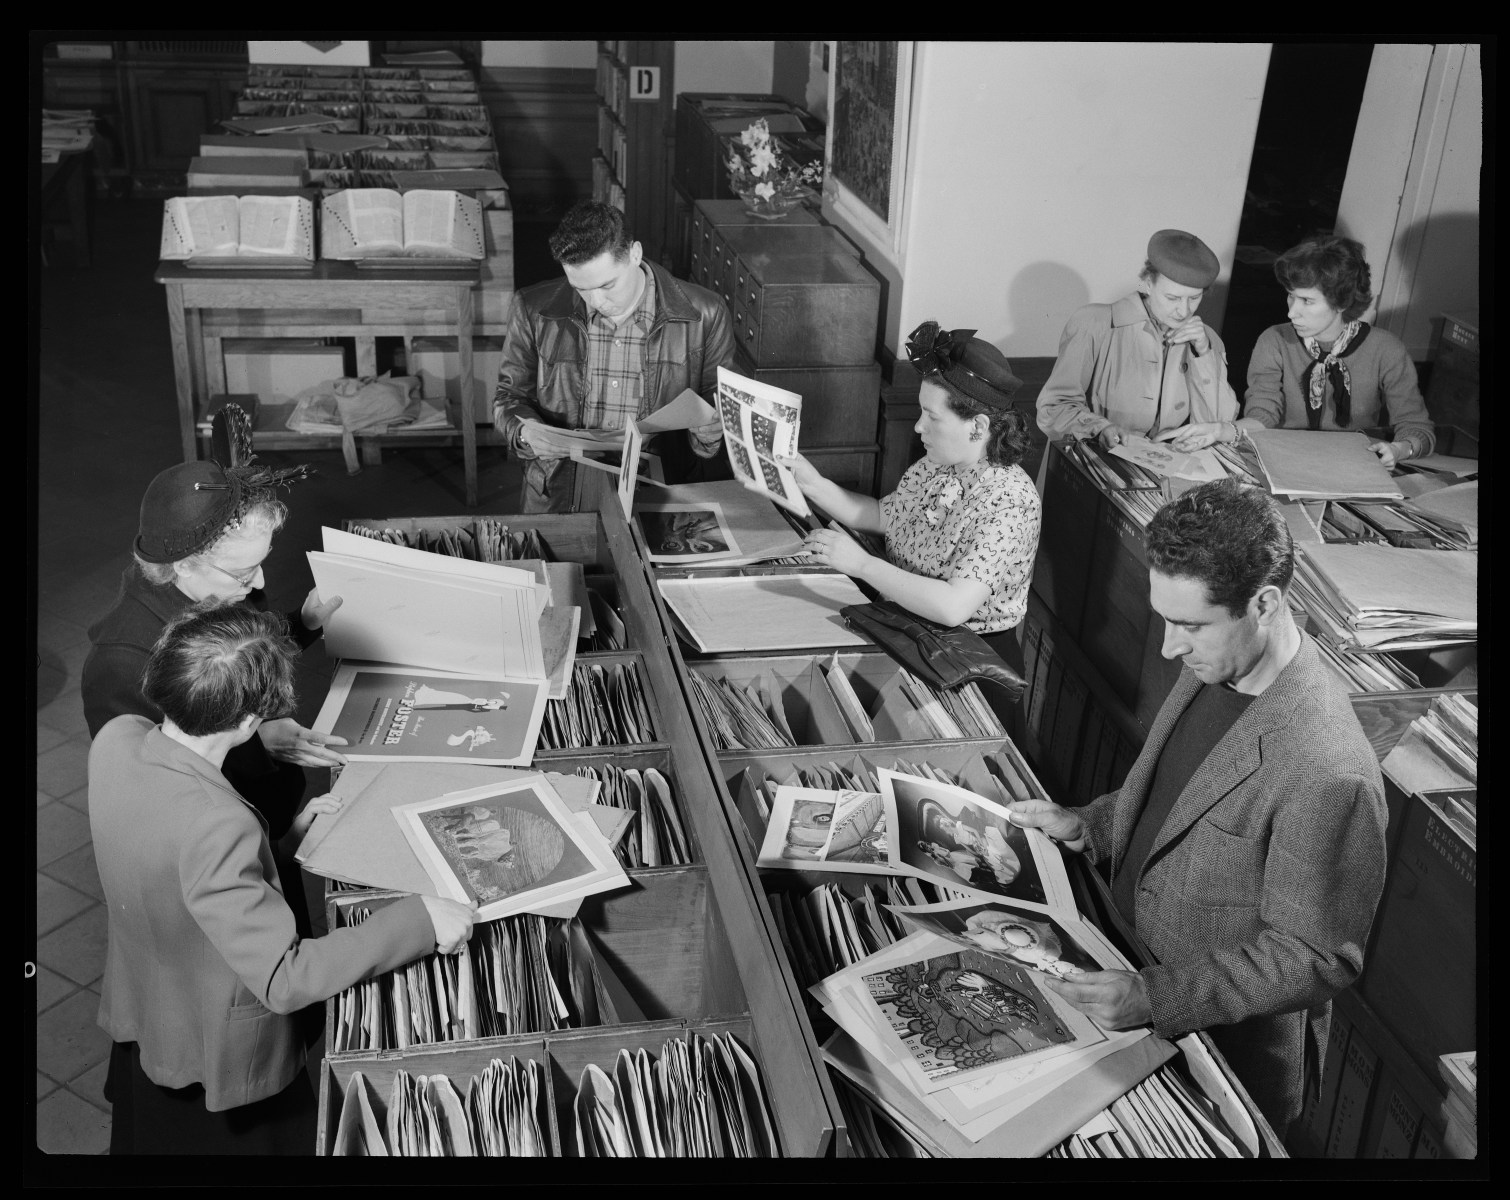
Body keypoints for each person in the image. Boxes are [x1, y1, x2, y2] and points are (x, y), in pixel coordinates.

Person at [1006, 479, 1388, 1136]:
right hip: (1120, 968)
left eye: (1187, 625)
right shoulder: (1218, 653)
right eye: (1164, 620)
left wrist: (1156, 997)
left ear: (1264, 604)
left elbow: (1317, 954)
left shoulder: (1328, 767)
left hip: (1215, 1055)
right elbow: (1182, 798)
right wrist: (1094, 824)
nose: (1167, 648)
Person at [90, 605, 477, 1155]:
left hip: (153, 1003)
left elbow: (167, 855)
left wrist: (282, 846)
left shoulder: (117, 739)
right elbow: (284, 978)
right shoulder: (216, 824)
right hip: (220, 1052)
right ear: (250, 720)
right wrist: (420, 919)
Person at [82, 459, 348, 841]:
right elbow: (157, 787)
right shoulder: (121, 663)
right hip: (229, 842)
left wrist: (303, 622)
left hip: (269, 812)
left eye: (262, 561)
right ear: (185, 565)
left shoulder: (217, 587)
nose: (259, 580)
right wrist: (257, 742)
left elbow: (245, 649)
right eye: (244, 572)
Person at [782, 320, 1041, 689]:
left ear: (978, 427)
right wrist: (813, 483)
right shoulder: (936, 464)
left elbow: (953, 607)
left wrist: (860, 564)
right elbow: (881, 515)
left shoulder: (1010, 501)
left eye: (932, 417)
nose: (919, 427)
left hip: (965, 666)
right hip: (907, 634)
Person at [493, 200, 734, 512]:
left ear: (634, 254)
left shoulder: (706, 314)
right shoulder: (531, 307)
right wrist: (524, 432)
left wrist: (710, 434)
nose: (596, 301)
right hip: (560, 487)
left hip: (659, 491)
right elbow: (509, 396)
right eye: (580, 288)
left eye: (607, 285)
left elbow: (719, 405)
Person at [1168, 234, 1433, 466]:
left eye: (1307, 301)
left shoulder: (1386, 349)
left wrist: (1398, 450)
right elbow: (1263, 416)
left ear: (1341, 302)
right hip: (1282, 461)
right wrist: (1220, 430)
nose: (1292, 311)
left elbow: (1417, 427)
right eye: (1291, 296)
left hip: (1352, 466)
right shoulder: (1274, 340)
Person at [1036, 229, 1239, 449]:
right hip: (1098, 461)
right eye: (1172, 298)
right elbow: (1054, 407)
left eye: (1194, 298)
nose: (1183, 310)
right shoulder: (1095, 323)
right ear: (1148, 283)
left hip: (1171, 467)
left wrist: (1203, 353)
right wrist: (1100, 428)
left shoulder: (1207, 339)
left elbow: (1220, 424)